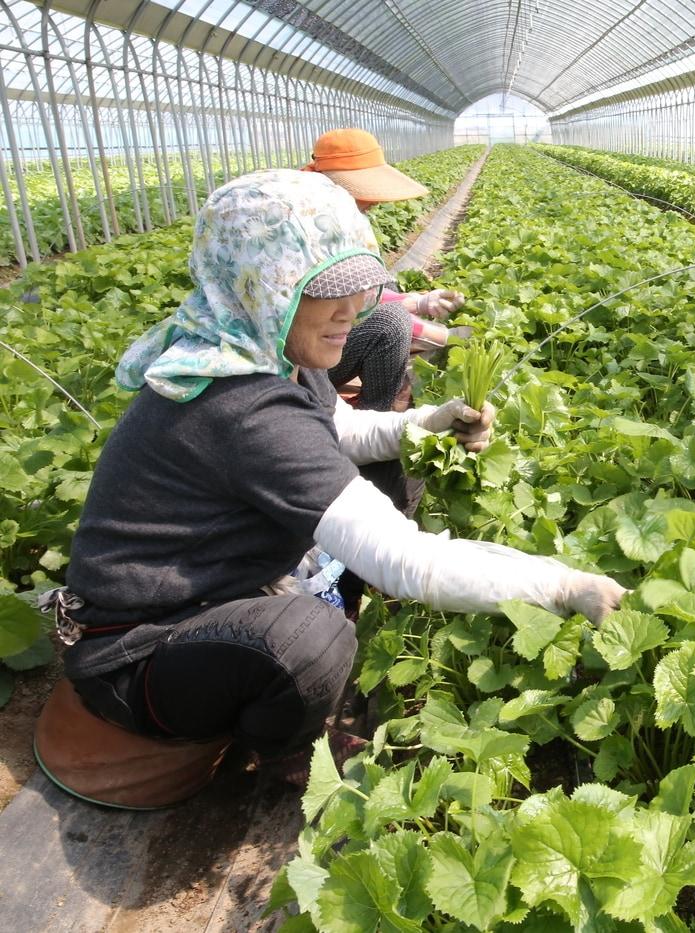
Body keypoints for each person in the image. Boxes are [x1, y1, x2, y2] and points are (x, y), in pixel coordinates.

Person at [41, 170, 625, 795]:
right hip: (138, 654)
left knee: (395, 468)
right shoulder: (241, 406)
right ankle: (289, 754)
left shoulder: (267, 349)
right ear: (266, 287)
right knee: (308, 643)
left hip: (220, 592)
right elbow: (408, 562)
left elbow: (338, 431)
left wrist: (428, 424)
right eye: (324, 291)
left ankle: (309, 623)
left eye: (357, 285)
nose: (352, 310)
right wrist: (563, 586)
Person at [303, 127, 467, 413]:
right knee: (390, 323)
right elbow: (354, 302)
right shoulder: (312, 227)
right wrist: (432, 328)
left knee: (387, 287)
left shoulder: (333, 215)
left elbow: (368, 291)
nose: (374, 201)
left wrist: (418, 302)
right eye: (364, 191)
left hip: (317, 341)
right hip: (301, 362)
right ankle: (374, 411)